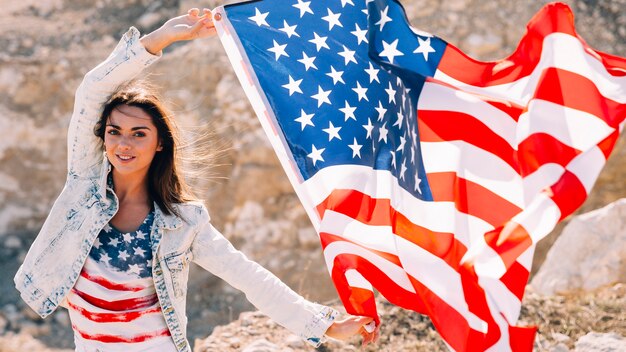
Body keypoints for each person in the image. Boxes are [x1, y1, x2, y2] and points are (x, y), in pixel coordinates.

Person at [14, 8, 379, 352]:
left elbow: (247, 276)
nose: (123, 144)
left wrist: (324, 325)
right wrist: (157, 40)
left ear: (160, 145)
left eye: (139, 134)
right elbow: (92, 90)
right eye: (115, 131)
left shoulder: (182, 222)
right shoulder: (84, 187)